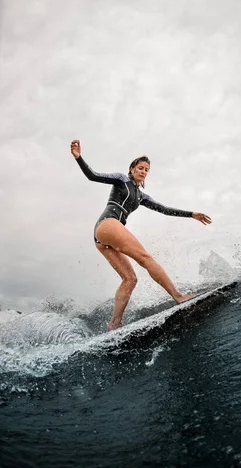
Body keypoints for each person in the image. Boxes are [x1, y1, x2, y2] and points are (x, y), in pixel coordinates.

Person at [70, 140, 212, 331]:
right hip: (108, 223)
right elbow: (93, 176)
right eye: (140, 167)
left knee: (130, 279)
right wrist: (79, 157)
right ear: (132, 168)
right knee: (146, 258)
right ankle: (178, 296)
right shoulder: (121, 179)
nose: (143, 171)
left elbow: (164, 209)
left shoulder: (141, 196)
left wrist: (191, 214)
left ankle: (114, 324)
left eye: (146, 170)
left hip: (102, 238)